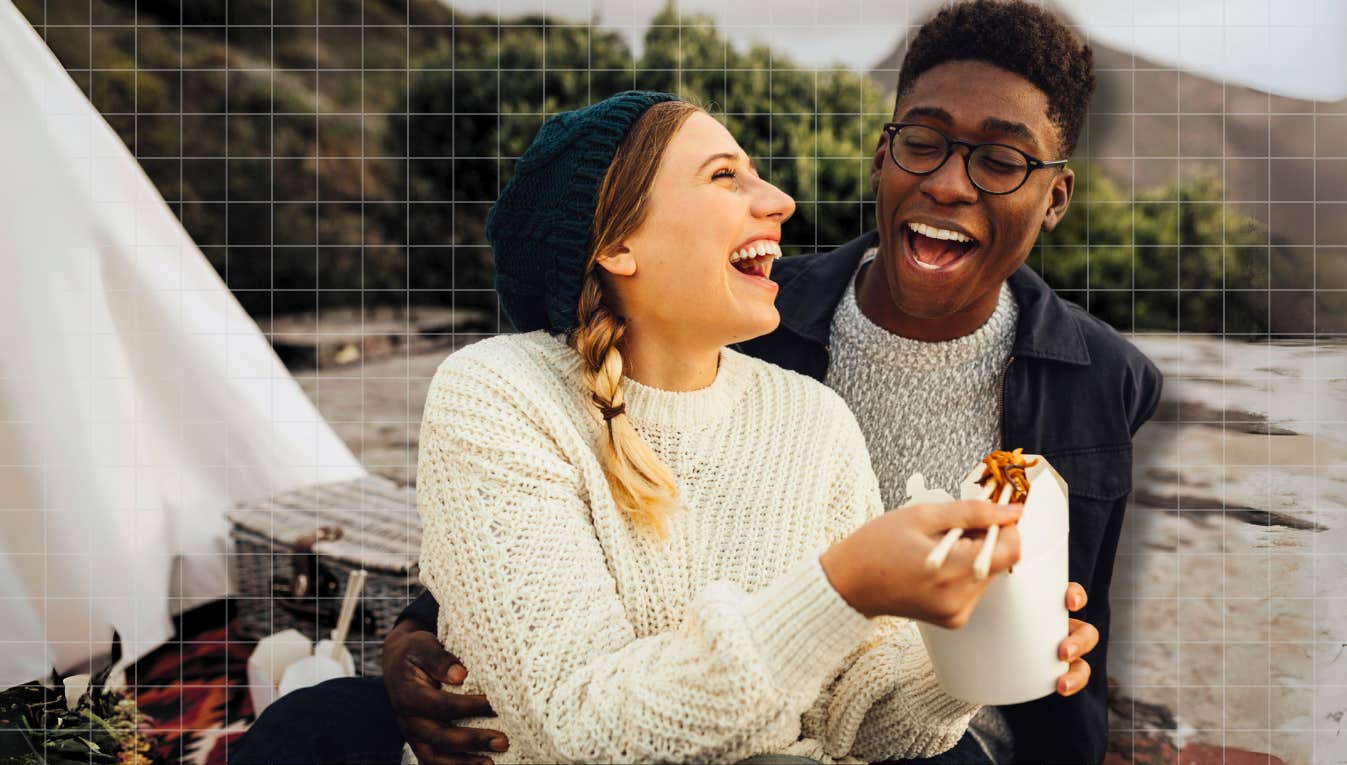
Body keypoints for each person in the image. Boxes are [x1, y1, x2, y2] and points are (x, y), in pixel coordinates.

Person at [233, 1, 1161, 762]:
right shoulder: (512, 388)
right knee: (308, 731)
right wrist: (846, 586)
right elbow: (564, 684)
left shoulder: (827, 415)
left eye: (1000, 159)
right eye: (727, 175)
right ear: (617, 241)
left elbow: (864, 706)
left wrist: (970, 649)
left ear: (1054, 193)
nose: (782, 201)